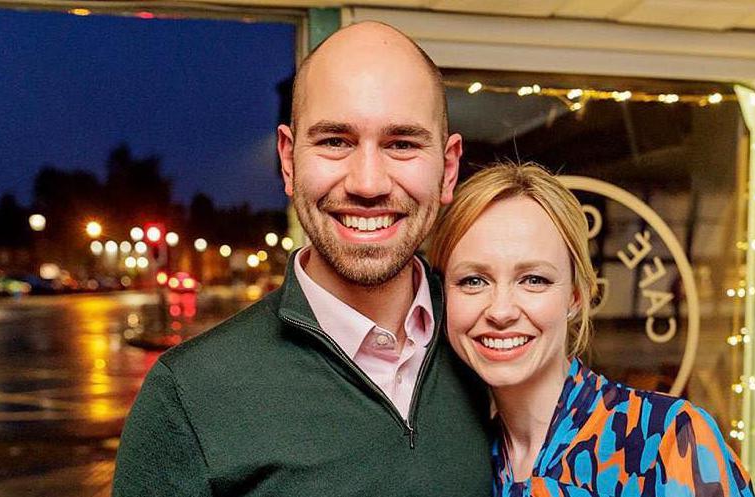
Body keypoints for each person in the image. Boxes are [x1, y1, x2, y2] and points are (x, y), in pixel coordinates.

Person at [112, 22, 493, 497]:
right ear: (289, 161)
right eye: (335, 141)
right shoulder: (188, 398)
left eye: (402, 143)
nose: (368, 183)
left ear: (448, 168)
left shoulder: (493, 347)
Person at [428, 162, 755, 497]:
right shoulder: (462, 462)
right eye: (473, 281)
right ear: (442, 295)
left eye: (534, 280)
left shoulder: (664, 439)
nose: (501, 310)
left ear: (575, 297)